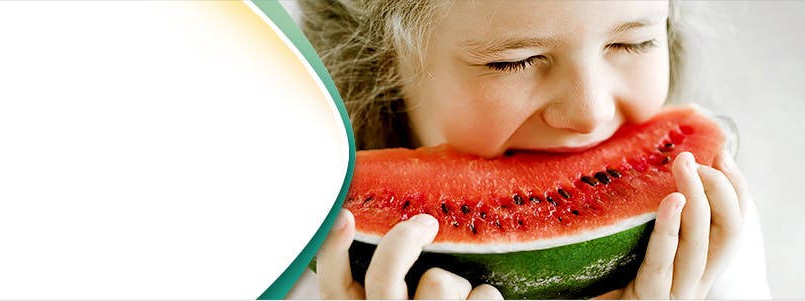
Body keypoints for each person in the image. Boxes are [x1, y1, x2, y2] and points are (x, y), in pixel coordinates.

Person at [287, 0, 772, 299]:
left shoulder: (706, 239)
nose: (590, 111)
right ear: (382, 70)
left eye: (633, 43)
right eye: (513, 62)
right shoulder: (308, 265)